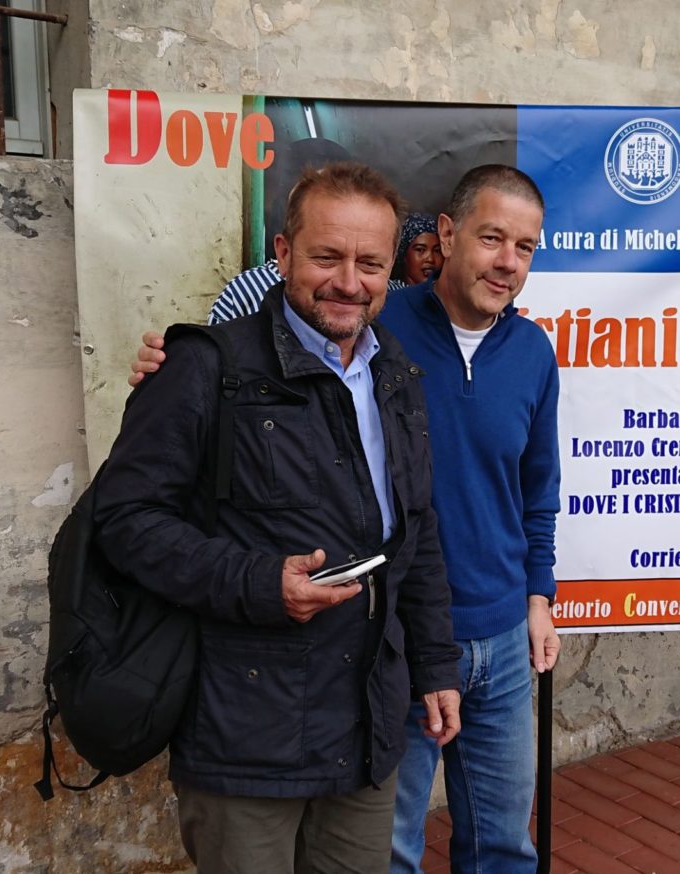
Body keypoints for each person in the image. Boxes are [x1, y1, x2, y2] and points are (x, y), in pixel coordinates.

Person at [132, 164, 561, 873]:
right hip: (337, 664)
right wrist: (175, 364)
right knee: (391, 852)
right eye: (492, 238)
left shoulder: (444, 360)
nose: (507, 261)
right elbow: (139, 510)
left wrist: (535, 598)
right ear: (446, 235)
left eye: (525, 246)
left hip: (468, 648)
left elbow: (494, 501)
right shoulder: (366, 330)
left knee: (502, 847)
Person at [208, 212, 443, 325]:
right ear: (285, 253)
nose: (349, 286)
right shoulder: (247, 290)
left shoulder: (394, 306)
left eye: (369, 263)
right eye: (326, 258)